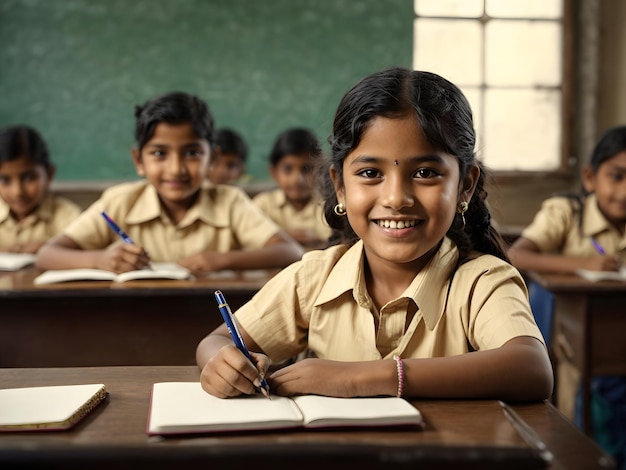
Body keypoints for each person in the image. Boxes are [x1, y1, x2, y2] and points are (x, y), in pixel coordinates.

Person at [196, 67, 553, 402]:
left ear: (465, 186)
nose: (396, 198)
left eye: (426, 172)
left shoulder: (481, 282)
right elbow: (216, 341)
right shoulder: (313, 279)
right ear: (339, 186)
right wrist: (221, 361)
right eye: (370, 173)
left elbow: (531, 369)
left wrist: (365, 378)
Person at [36, 92, 304, 274]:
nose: (176, 169)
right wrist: (100, 260)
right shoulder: (119, 201)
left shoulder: (229, 201)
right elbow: (47, 255)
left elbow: (289, 251)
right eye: (159, 153)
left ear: (213, 158)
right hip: (132, 317)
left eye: (192, 153)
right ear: (138, 160)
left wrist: (222, 260)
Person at [508, 125, 626, 467]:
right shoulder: (566, 212)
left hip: (617, 342)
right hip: (566, 339)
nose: (624, 191)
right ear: (590, 178)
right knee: (542, 292)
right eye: (616, 177)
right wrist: (583, 263)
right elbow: (518, 255)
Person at [0, 125, 80, 253]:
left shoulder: (68, 216)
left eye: (28, 178)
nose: (17, 192)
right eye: (4, 180)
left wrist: (49, 248)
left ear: (49, 174)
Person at [253, 128, 332, 248]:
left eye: (306, 169)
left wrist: (278, 237)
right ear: (274, 172)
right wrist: (291, 236)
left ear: (319, 170)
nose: (297, 179)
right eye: (288, 169)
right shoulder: (262, 204)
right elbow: (251, 242)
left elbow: (333, 243)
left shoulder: (327, 205)